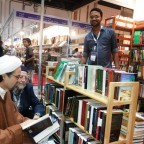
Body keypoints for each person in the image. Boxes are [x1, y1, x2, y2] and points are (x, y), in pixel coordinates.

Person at [0, 55, 34, 144]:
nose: (19, 80)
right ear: (4, 76)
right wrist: (20, 127)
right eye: (17, 77)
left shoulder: (6, 92)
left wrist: (29, 122)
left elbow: (15, 115)